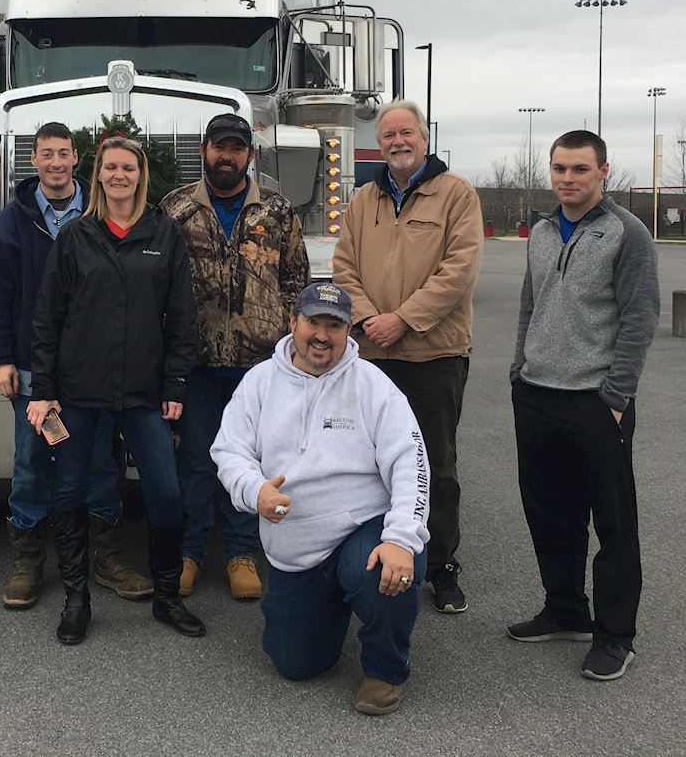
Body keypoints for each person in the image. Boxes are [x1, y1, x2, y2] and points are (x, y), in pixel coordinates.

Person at [211, 283, 430, 716]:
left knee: (385, 571)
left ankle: (384, 670)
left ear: (349, 331)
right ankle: (331, 605)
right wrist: (255, 490)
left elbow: (412, 462)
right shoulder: (259, 383)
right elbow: (228, 450)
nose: (322, 335)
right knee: (295, 663)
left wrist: (403, 538)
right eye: (313, 321)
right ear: (293, 322)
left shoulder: (373, 386)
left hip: (364, 529)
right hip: (296, 550)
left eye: (335, 325)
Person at [27, 134, 201, 645]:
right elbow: (48, 319)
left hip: (145, 393)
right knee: (69, 494)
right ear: (97, 174)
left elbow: (182, 318)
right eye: (110, 168)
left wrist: (175, 384)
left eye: (128, 167)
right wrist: (45, 389)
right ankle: (77, 599)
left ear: (141, 175)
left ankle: (167, 596)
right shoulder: (76, 237)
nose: (119, 175)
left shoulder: (164, 234)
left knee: (166, 494)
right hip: (79, 393)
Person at [0, 122, 152, 609]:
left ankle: (106, 556)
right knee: (31, 464)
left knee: (100, 462)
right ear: (32, 161)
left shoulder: (98, 218)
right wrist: (3, 359)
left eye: (63, 154)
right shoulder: (12, 222)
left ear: (77, 159)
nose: (55, 163)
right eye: (45, 154)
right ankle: (28, 560)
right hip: (35, 372)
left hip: (93, 371)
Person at [508, 130, 658, 682]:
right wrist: (519, 370)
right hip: (538, 394)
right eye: (560, 169)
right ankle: (565, 608)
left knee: (614, 523)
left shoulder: (627, 233)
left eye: (579, 169)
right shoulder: (542, 232)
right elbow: (530, 303)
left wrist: (617, 395)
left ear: (603, 172)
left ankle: (615, 634)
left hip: (597, 402)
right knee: (550, 511)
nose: (568, 179)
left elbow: (641, 316)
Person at [331, 99, 482, 614]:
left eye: (406, 133)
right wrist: (372, 318)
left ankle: (441, 564)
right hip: (372, 354)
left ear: (423, 137)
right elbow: (343, 267)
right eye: (389, 134)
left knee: (433, 462)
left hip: (433, 355)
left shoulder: (456, 195)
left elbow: (458, 271)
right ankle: (382, 553)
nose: (397, 141)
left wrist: (404, 320)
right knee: (372, 463)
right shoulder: (362, 200)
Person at [161, 111, 308, 600]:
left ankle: (242, 554)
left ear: (249, 154)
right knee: (197, 462)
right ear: (204, 150)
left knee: (252, 462)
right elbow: (157, 287)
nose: (227, 156)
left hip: (259, 366)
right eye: (219, 147)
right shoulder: (175, 209)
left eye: (237, 148)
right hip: (197, 361)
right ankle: (190, 551)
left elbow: (295, 283)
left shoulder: (278, 211)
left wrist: (291, 352)